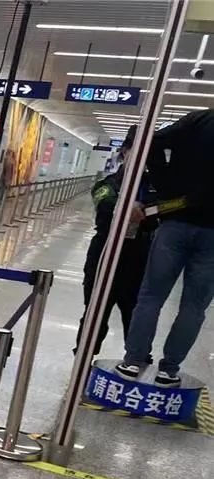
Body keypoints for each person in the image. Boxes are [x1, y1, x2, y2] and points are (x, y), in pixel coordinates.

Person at [117, 109, 214, 386]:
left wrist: (166, 186)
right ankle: (169, 370)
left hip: (176, 221)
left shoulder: (199, 120)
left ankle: (133, 361)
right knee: (194, 307)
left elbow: (152, 141)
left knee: (151, 297)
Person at [77, 125, 154, 355]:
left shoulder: (153, 188)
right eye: (134, 151)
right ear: (124, 152)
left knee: (136, 316)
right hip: (104, 253)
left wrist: (145, 211)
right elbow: (105, 207)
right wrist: (130, 208)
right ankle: (84, 357)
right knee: (95, 313)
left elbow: (159, 214)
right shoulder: (107, 184)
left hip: (138, 257)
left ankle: (136, 360)